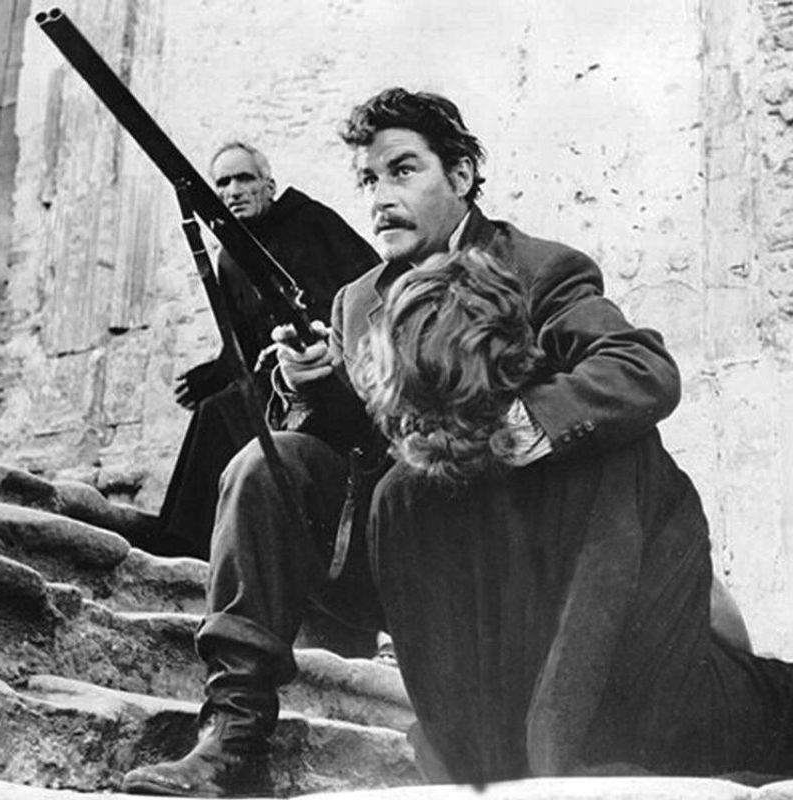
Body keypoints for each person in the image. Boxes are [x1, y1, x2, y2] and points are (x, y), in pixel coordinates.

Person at [122, 87, 690, 797]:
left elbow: (641, 369)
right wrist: (311, 388)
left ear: (461, 175)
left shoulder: (537, 268)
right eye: (368, 179)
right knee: (266, 465)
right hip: (394, 541)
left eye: (403, 170)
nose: (380, 196)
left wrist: (504, 433)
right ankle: (233, 735)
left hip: (510, 559)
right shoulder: (357, 300)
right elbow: (366, 436)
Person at [358, 246, 793, 784]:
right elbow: (594, 635)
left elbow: (438, 693)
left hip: (509, 750)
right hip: (651, 727)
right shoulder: (606, 448)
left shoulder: (395, 498)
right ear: (515, 343)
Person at [151, 141, 378, 559]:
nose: (233, 191)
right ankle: (185, 538)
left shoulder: (311, 221)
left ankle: (186, 542)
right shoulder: (229, 257)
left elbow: (370, 285)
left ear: (269, 186)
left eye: (244, 179)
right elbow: (238, 344)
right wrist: (210, 376)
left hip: (332, 375)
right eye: (223, 183)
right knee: (215, 408)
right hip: (274, 379)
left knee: (222, 412)